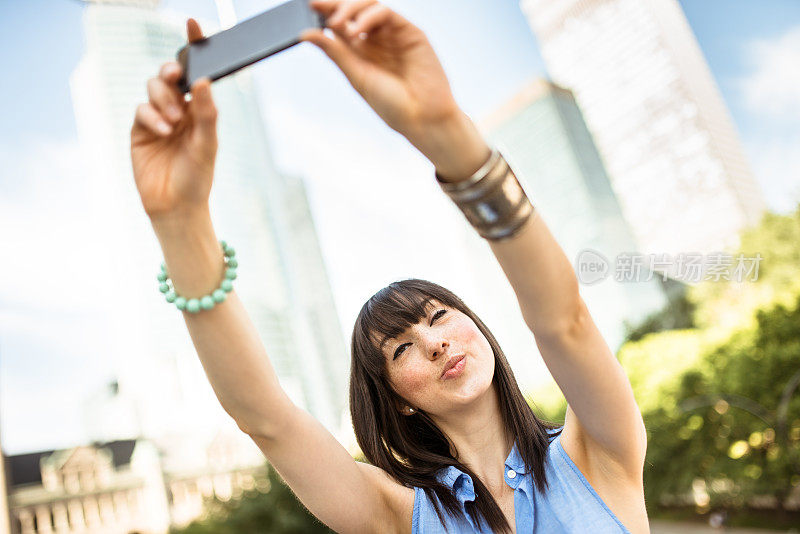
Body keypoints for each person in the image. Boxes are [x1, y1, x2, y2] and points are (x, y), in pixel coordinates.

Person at [129, 1, 649, 532]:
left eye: (439, 316)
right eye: (402, 349)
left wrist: (448, 135)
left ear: (478, 327)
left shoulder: (598, 451)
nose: (434, 342)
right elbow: (266, 418)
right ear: (397, 401)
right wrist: (181, 223)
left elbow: (564, 320)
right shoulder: (397, 514)